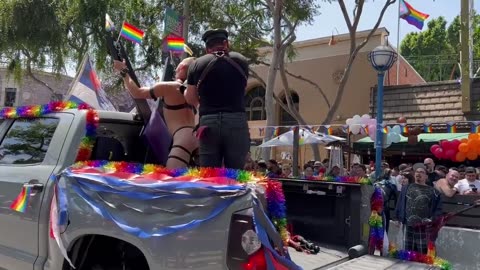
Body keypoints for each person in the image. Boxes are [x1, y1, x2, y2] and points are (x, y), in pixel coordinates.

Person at [113, 57, 198, 168]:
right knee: (203, 181)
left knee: (172, 180)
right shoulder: (195, 92)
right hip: (197, 138)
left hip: (182, 138)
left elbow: (137, 93)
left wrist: (123, 72)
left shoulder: (170, 87)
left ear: (181, 68)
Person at [184, 29, 250, 169]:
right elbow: (243, 89)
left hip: (208, 122)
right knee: (235, 173)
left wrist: (203, 103)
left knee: (209, 174)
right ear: (226, 43)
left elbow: (190, 98)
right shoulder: (241, 61)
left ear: (206, 48)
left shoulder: (196, 64)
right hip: (236, 120)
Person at [395, 164, 442, 254]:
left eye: (421, 172)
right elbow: (400, 203)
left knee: (423, 253)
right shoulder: (406, 188)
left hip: (424, 227)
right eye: (417, 172)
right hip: (408, 225)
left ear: (426, 176)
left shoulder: (434, 192)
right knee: (408, 252)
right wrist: (397, 217)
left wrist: (432, 220)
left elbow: (438, 209)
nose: (418, 173)